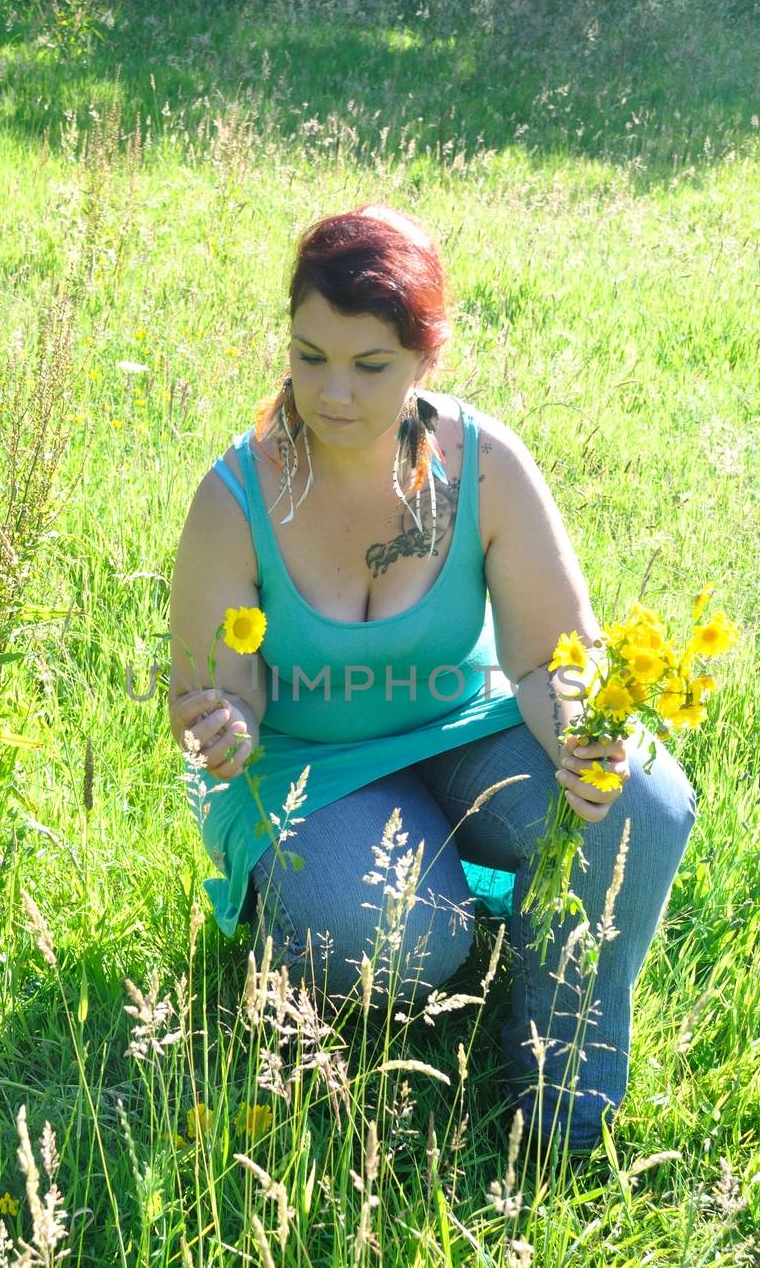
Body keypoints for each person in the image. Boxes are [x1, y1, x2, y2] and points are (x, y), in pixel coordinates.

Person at [168, 204, 697, 1159]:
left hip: (464, 726)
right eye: (308, 354)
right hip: (307, 772)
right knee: (418, 940)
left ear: (425, 359)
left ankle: (566, 1089)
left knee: (642, 801)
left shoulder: (483, 465)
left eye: (368, 366)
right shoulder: (237, 495)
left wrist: (579, 737)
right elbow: (216, 693)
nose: (331, 392)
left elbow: (548, 658)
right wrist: (222, 724)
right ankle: (303, 933)